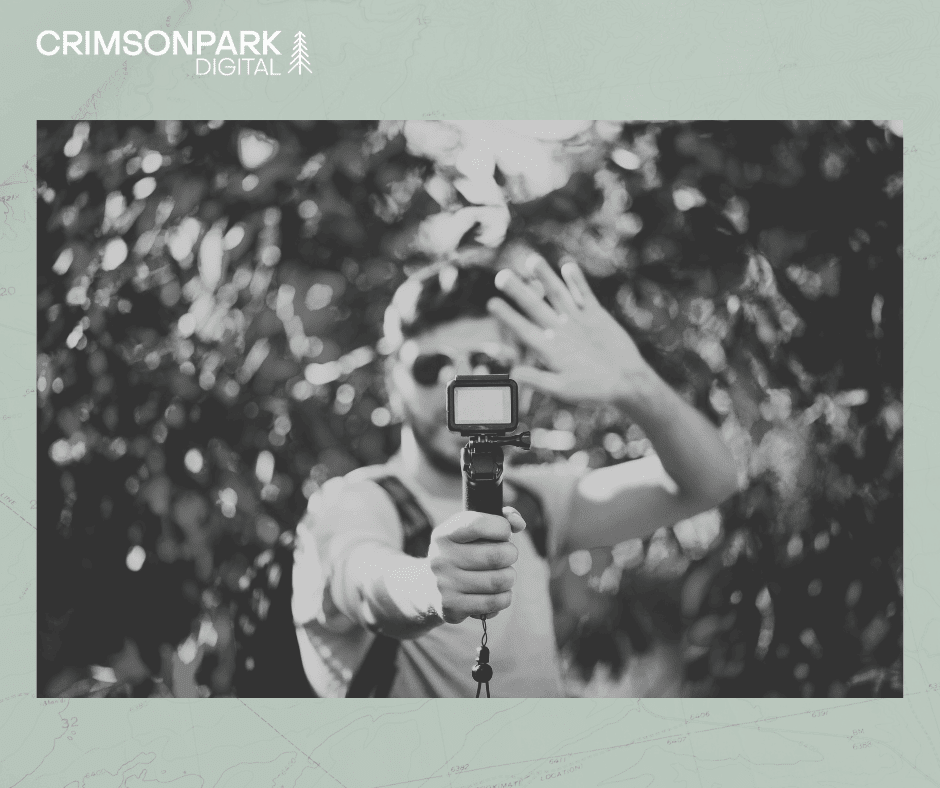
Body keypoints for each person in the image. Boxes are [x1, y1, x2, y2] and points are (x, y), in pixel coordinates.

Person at [291, 256, 740, 698]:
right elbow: (366, 579)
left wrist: (639, 387)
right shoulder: (352, 504)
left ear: (520, 382)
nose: (458, 383)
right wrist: (431, 584)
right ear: (393, 382)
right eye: (431, 367)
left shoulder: (536, 502)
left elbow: (710, 482)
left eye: (487, 362)